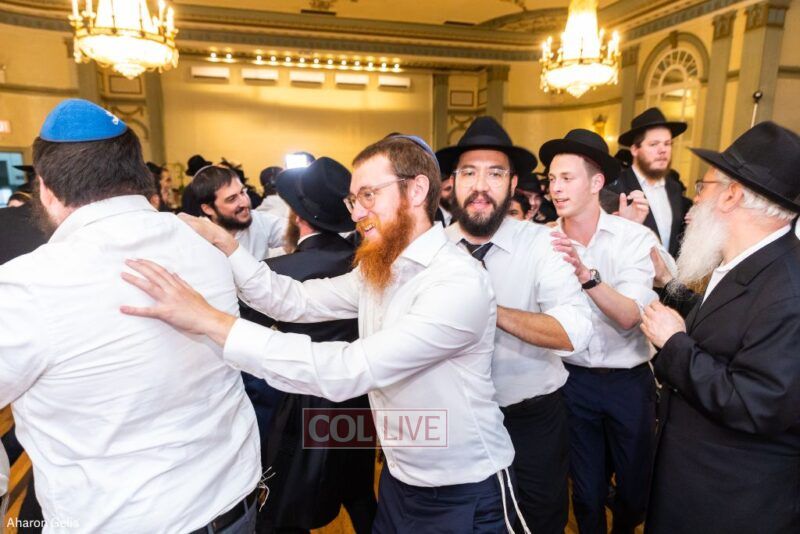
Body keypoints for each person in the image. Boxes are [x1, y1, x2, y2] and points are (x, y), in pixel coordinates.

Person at [120, 135, 526, 533]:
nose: (357, 213)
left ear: (417, 190)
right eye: (353, 200)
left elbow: (349, 369)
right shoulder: (382, 269)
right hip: (401, 480)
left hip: (467, 488)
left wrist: (210, 321)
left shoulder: (456, 283)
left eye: (369, 196)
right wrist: (228, 247)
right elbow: (294, 300)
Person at [0, 99, 262, 533]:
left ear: (45, 190)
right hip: (234, 504)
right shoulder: (205, 245)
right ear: (140, 176)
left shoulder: (26, 286)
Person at [640, 121, 800, 534]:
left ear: (732, 195)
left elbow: (755, 403)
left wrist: (673, 343)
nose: (696, 198)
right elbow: (730, 329)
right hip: (698, 485)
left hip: (732, 502)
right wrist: (671, 290)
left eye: (704, 186)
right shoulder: (750, 262)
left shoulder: (789, 289)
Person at [437, 116, 592, 534]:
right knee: (463, 521)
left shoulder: (543, 244)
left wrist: (490, 309)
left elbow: (575, 332)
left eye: (495, 173)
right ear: (453, 182)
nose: (480, 185)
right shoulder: (430, 250)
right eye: (469, 172)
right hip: (455, 418)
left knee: (541, 519)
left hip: (531, 419)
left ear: (513, 184)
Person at [541, 129, 660, 534]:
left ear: (596, 183)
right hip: (572, 382)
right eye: (551, 179)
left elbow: (629, 316)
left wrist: (585, 275)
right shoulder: (541, 241)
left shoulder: (634, 238)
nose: (556, 188)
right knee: (586, 494)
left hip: (629, 383)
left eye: (566, 178)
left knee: (634, 491)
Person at [249, 157, 375, 534]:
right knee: (358, 491)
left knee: (288, 504)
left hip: (299, 403)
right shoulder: (366, 264)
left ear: (297, 216)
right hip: (357, 398)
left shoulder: (278, 272)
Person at [612, 107, 692, 256]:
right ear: (635, 150)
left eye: (667, 144)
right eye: (654, 144)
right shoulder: (615, 188)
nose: (663, 150)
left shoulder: (674, 188)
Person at [188, 165, 286, 260]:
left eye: (242, 192)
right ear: (208, 209)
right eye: (232, 199)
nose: (245, 202)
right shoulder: (195, 241)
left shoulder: (258, 220)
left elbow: (292, 233)